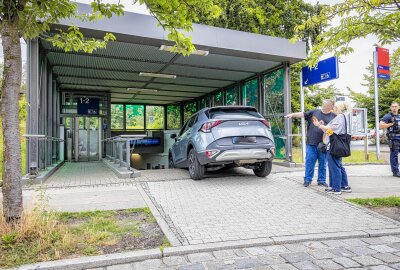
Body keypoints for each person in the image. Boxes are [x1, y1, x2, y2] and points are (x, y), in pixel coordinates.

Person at [285, 99, 336, 187]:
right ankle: (307, 180)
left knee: (323, 163)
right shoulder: (315, 111)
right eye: (324, 104)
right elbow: (303, 114)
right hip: (311, 142)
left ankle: (321, 180)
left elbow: (334, 129)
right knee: (309, 162)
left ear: (331, 107)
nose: (325, 105)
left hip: (324, 144)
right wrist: (292, 115)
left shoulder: (334, 116)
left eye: (327, 104)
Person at [313, 101, 352, 195]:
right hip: (337, 144)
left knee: (334, 166)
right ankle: (344, 186)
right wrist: (323, 126)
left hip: (334, 145)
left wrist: (319, 125)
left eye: (335, 106)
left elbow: (331, 129)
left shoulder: (339, 117)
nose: (333, 108)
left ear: (339, 108)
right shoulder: (345, 117)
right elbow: (330, 130)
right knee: (338, 165)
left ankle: (336, 188)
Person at [379, 101, 400, 177]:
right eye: (393, 106)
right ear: (391, 108)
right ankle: (395, 172)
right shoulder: (388, 116)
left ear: (398, 107)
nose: (394, 108)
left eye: (396, 106)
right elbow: (380, 125)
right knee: (394, 155)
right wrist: (391, 124)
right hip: (394, 139)